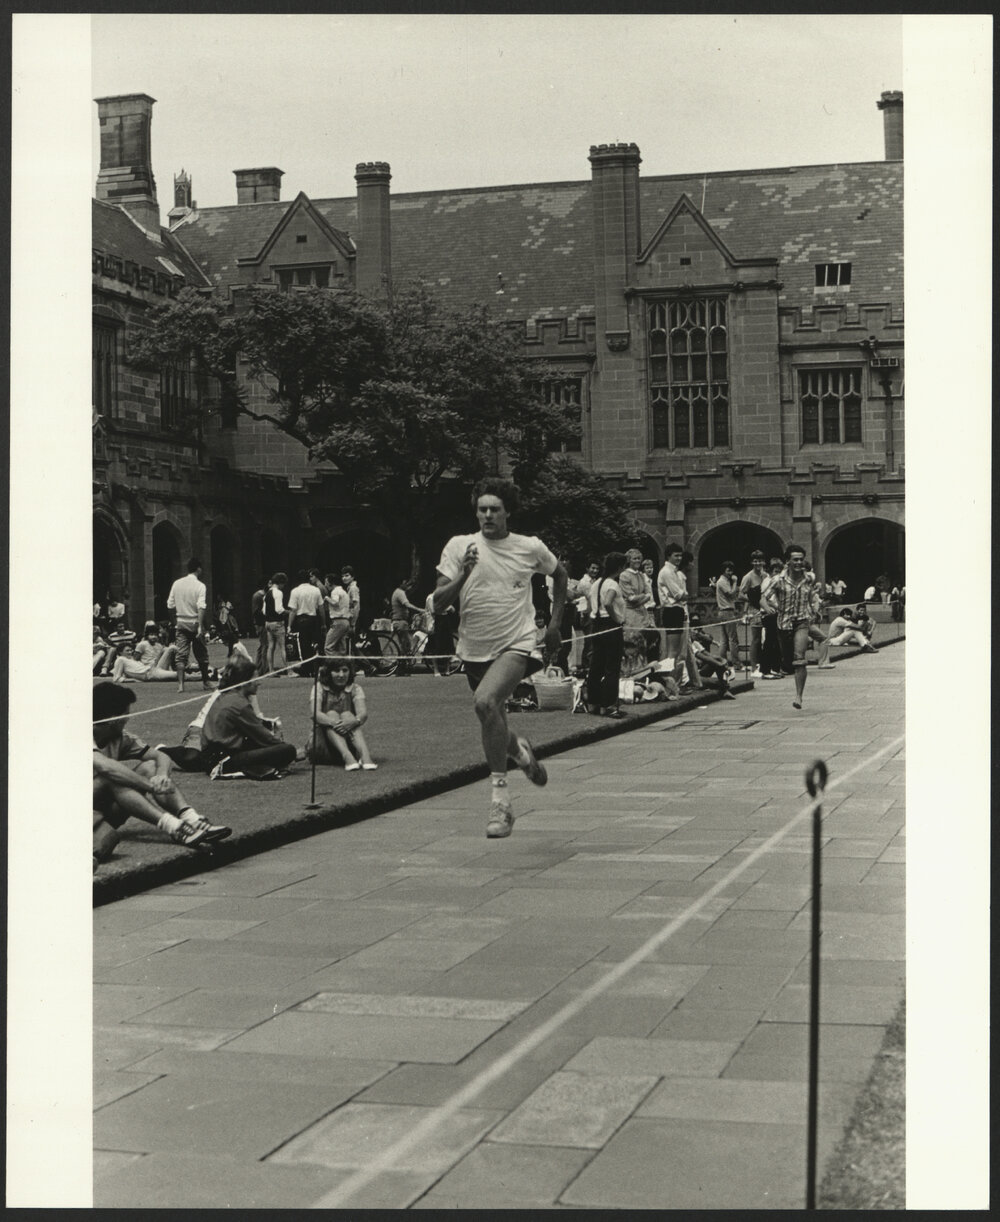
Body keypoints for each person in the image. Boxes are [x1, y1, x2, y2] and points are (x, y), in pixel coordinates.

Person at [433, 477, 567, 839]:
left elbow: (560, 575)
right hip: (474, 647)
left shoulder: (529, 547)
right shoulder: (460, 546)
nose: (488, 515)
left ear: (508, 512)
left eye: (494, 509)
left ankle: (500, 801)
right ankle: (521, 753)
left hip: (518, 643)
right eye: (482, 509)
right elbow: (438, 603)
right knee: (491, 715)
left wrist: (554, 623)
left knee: (486, 702)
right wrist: (464, 574)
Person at [92, 681, 230, 869]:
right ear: (113, 718)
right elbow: (106, 767)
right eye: (126, 714)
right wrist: (149, 786)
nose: (129, 718)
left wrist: (162, 776)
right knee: (112, 775)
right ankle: (173, 826)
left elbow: (160, 755)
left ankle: (190, 818)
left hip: (105, 810)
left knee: (150, 767)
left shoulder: (119, 737)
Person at [201, 656, 297, 779]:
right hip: (223, 759)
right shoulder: (239, 704)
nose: (259, 682)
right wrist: (290, 751)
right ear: (244, 681)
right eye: (255, 678)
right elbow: (264, 737)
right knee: (288, 750)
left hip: (211, 756)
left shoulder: (227, 695)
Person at [765, 543, 835, 710]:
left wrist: (813, 607)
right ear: (787, 561)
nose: (799, 563)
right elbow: (765, 597)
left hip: (801, 622)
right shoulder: (777, 580)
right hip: (783, 624)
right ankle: (786, 664)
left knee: (800, 658)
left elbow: (811, 593)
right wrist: (771, 607)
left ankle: (798, 697)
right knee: (788, 661)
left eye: (801, 560)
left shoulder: (809, 578)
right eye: (795, 560)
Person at [307, 660, 378, 770]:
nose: (341, 675)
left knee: (347, 714)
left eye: (345, 670)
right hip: (323, 746)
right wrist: (336, 723)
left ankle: (365, 757)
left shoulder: (355, 688)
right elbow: (315, 714)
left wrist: (353, 722)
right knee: (331, 713)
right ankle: (347, 756)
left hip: (350, 740)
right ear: (329, 673)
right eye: (336, 671)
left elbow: (363, 714)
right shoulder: (319, 687)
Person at [585, 550, 628, 718]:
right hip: (610, 625)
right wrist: (617, 618)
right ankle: (608, 704)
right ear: (619, 567)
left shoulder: (596, 584)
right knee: (611, 667)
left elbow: (590, 604)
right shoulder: (612, 584)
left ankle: (593, 703)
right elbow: (608, 602)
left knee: (596, 665)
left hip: (596, 625)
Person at [166, 557, 213, 692]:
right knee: (202, 655)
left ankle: (181, 685)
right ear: (198, 569)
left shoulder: (177, 583)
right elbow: (201, 606)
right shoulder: (200, 586)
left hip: (181, 622)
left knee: (181, 654)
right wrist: (200, 626)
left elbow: (170, 604)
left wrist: (174, 621)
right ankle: (206, 682)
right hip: (193, 621)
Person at [656, 542, 688, 671]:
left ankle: (674, 680)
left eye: (680, 556)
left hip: (677, 610)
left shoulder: (674, 571)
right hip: (672, 610)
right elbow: (679, 595)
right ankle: (670, 680)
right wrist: (684, 594)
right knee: (672, 651)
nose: (679, 558)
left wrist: (683, 595)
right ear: (668, 556)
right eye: (676, 556)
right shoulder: (667, 572)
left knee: (677, 650)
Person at [287, 568, 325, 676]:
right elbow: (321, 608)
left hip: (301, 620)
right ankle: (314, 666)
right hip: (313, 619)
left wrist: (289, 625)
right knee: (314, 643)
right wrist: (323, 623)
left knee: (304, 645)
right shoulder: (316, 590)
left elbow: (293, 610)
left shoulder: (295, 591)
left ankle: (307, 667)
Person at [688, 618, 737, 698]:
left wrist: (723, 660)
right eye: (694, 630)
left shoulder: (696, 643)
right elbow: (703, 657)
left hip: (699, 673)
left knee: (717, 661)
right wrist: (720, 664)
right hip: (691, 678)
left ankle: (724, 688)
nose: (696, 632)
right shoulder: (688, 644)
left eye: (698, 630)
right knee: (718, 682)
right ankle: (724, 687)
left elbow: (709, 655)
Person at [739, 551, 767, 678]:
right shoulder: (748, 577)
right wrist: (753, 599)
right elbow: (740, 594)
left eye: (760, 561)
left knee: (766, 639)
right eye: (755, 561)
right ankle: (754, 667)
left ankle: (764, 664)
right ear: (752, 562)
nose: (758, 563)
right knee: (756, 639)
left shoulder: (765, 575)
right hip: (754, 610)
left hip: (766, 609)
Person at [758, 557, 788, 679]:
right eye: (775, 571)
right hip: (768, 615)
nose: (777, 573)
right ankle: (765, 670)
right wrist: (775, 606)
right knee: (769, 642)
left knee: (775, 642)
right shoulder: (767, 581)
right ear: (770, 571)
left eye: (778, 571)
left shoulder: (778, 581)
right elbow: (763, 598)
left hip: (776, 614)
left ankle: (775, 668)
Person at [390, 578, 423, 671]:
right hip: (401, 622)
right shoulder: (400, 593)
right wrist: (420, 610)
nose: (407, 584)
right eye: (406, 582)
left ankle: (403, 666)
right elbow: (407, 604)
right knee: (405, 645)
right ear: (402, 583)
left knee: (404, 644)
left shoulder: (397, 592)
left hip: (398, 621)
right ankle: (401, 667)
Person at [714, 560, 741, 668]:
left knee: (724, 639)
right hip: (727, 612)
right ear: (724, 571)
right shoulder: (722, 582)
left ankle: (723, 662)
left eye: (731, 571)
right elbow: (731, 594)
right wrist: (735, 582)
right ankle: (736, 663)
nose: (731, 573)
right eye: (728, 570)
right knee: (732, 639)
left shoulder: (723, 581)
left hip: (723, 612)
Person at [263, 572, 288, 675]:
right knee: (283, 647)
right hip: (277, 623)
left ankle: (271, 670)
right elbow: (279, 609)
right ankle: (289, 670)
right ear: (280, 583)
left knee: (271, 646)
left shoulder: (267, 593)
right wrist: (289, 612)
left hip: (268, 623)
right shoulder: (278, 593)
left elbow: (264, 610)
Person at [323, 573, 352, 655]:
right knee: (341, 648)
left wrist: (326, 598)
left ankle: (335, 665)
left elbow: (335, 602)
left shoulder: (335, 592)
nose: (325, 585)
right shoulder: (343, 592)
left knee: (328, 647)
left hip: (338, 621)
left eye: (326, 582)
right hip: (345, 621)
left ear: (330, 583)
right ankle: (343, 666)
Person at [250, 577, 268, 670]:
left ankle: (259, 666)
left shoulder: (260, 595)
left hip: (260, 623)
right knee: (265, 645)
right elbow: (256, 611)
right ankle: (264, 668)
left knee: (262, 645)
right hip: (261, 623)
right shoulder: (258, 596)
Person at [341, 566, 361, 637]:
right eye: (342, 576)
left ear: (352, 577)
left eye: (347, 576)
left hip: (352, 620)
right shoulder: (349, 588)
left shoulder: (353, 588)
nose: (344, 578)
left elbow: (356, 606)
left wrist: (353, 623)